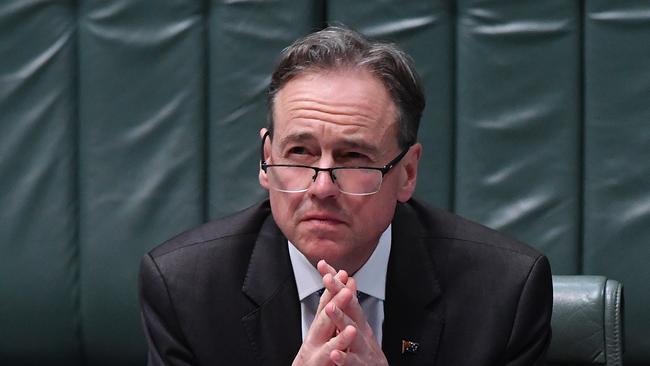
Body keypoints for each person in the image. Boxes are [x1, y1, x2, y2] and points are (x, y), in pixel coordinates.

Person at [139, 26, 552, 366]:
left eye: (353, 158)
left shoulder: (504, 294)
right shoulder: (186, 289)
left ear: (407, 172)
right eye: (299, 153)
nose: (321, 188)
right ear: (267, 160)